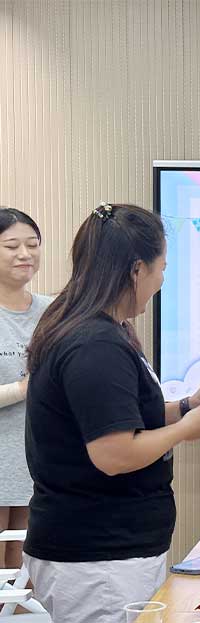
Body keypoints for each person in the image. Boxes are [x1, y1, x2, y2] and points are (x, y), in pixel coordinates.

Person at [23, 203, 200, 623]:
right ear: (137, 270)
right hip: (98, 557)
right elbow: (114, 453)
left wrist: (189, 404)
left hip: (107, 550)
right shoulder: (95, 344)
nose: (162, 280)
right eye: (162, 268)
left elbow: (121, 418)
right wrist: (186, 429)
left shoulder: (96, 328)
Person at [0, 208, 51, 572]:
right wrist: (23, 388)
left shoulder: (53, 311)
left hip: (40, 462)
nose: (25, 254)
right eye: (12, 246)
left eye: (32, 245)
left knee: (28, 579)